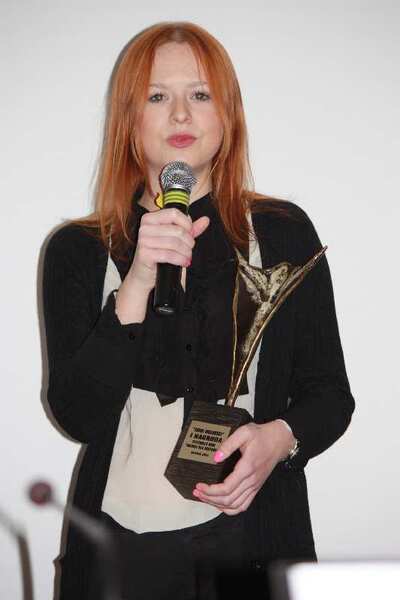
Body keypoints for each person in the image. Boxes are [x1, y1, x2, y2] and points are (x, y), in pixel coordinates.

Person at [43, 21, 355, 600]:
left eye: (201, 94)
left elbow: (331, 395)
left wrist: (279, 439)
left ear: (227, 115)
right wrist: (138, 281)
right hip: (117, 555)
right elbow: (76, 414)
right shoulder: (77, 250)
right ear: (128, 120)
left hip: (254, 544)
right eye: (158, 96)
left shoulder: (283, 233)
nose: (181, 114)